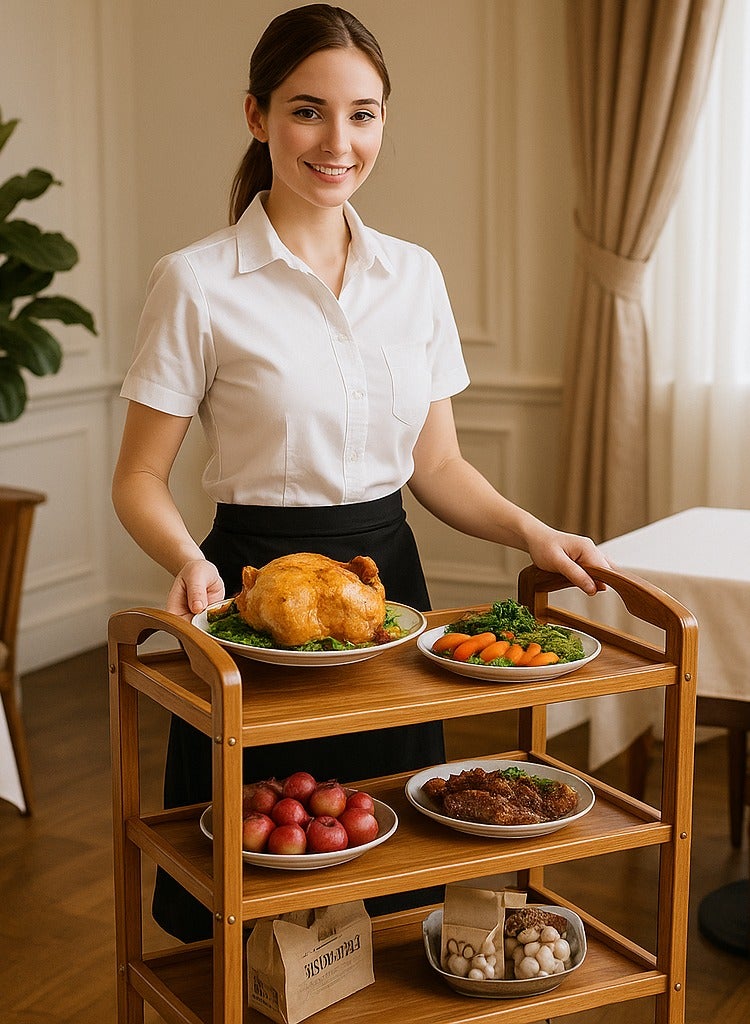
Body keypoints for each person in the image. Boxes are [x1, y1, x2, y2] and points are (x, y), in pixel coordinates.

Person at [112, 3, 609, 943]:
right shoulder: (197, 280)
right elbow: (139, 475)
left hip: (389, 600)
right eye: (308, 111)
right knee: (266, 858)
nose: (338, 141)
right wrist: (184, 556)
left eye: (363, 113)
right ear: (256, 116)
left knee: (394, 860)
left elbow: (441, 466)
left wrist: (531, 532)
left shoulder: (414, 275)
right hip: (250, 598)